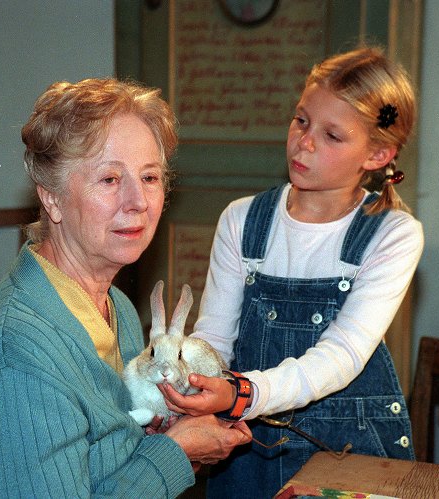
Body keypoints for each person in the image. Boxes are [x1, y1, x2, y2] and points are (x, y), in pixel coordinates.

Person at [0, 78, 251, 498]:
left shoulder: (114, 306)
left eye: (150, 177)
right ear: (53, 199)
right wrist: (176, 450)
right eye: (109, 179)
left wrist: (166, 428)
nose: (138, 201)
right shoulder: (15, 353)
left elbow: (108, 454)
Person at [161, 46, 424, 498]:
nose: (304, 142)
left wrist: (241, 394)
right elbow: (214, 342)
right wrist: (189, 386)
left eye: (332, 136)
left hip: (348, 453)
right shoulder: (242, 221)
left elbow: (339, 357)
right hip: (249, 451)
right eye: (301, 120)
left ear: (379, 154)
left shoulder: (393, 234)